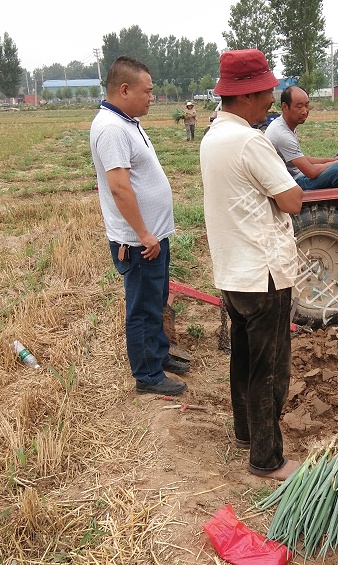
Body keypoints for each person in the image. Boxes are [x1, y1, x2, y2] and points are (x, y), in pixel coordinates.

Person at [200, 49, 304, 481]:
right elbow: (292, 200)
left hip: (233, 271)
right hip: (263, 274)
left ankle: (246, 432)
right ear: (246, 95)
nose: (270, 100)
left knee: (243, 359)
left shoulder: (212, 136)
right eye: (267, 92)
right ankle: (267, 459)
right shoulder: (249, 140)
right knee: (271, 368)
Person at [90, 56, 189, 396]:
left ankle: (158, 356)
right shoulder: (111, 129)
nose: (152, 97)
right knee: (142, 307)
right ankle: (147, 376)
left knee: (155, 301)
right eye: (148, 91)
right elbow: (119, 187)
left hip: (153, 236)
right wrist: (145, 234)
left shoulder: (128, 122)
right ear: (125, 89)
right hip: (137, 241)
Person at [265, 85, 338, 190]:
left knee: (337, 166)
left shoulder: (284, 125)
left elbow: (300, 159)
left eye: (306, 105)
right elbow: (311, 172)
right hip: (292, 185)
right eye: (299, 106)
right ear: (285, 107)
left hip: (293, 178)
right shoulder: (282, 135)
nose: (305, 111)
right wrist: (336, 163)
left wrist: (333, 159)